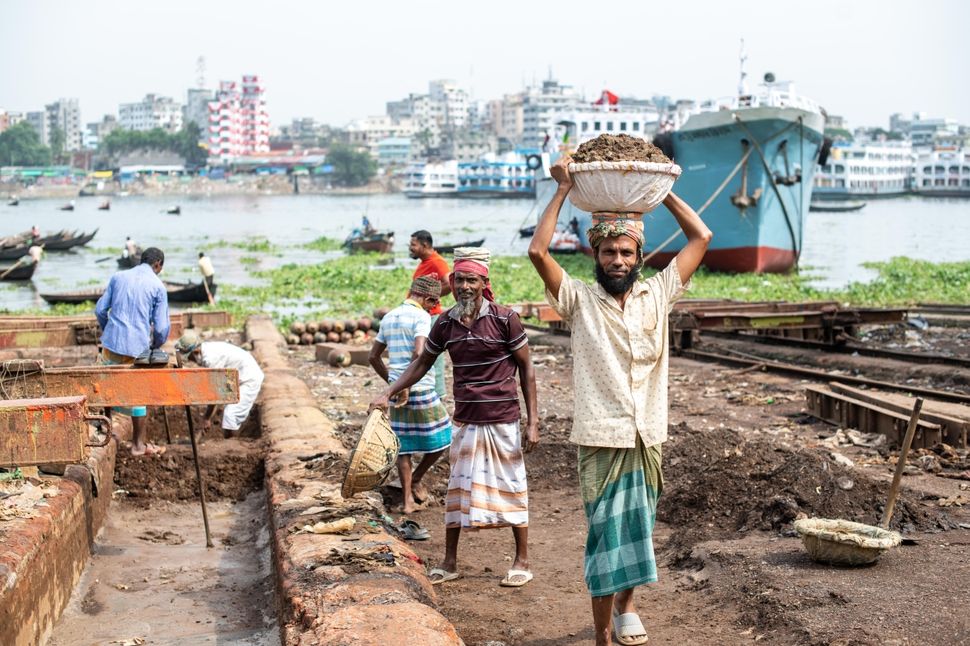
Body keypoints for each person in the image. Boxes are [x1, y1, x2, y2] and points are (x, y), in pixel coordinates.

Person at [528, 157, 711, 646]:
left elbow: (701, 239)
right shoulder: (579, 300)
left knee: (639, 529)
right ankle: (601, 633)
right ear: (596, 255)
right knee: (605, 538)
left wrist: (659, 193)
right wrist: (564, 189)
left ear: (639, 256)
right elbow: (538, 250)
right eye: (609, 252)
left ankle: (628, 606)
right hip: (600, 436)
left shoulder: (659, 294)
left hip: (647, 432)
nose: (618, 261)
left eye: (626, 253)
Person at [370, 248, 539, 588]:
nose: (464, 286)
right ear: (451, 282)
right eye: (459, 279)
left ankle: (521, 560)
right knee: (457, 489)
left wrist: (533, 422)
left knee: (512, 485)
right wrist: (388, 391)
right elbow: (421, 364)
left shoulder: (506, 319)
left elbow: (526, 369)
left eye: (471, 280)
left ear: (483, 283)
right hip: (465, 419)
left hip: (502, 418)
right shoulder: (444, 323)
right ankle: (450, 562)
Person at [369, 275, 452, 514]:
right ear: (427, 298)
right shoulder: (422, 317)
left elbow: (373, 357)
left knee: (403, 446)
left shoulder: (389, 317)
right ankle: (417, 477)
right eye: (432, 304)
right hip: (420, 386)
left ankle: (407, 501)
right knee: (444, 436)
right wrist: (407, 383)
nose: (431, 308)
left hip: (396, 389)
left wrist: (393, 384)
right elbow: (418, 353)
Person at [95, 247, 171, 457]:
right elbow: (162, 327)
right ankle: (138, 445)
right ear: (158, 265)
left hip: (111, 343)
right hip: (136, 348)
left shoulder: (118, 276)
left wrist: (109, 329)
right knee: (139, 394)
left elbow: (100, 310)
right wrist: (155, 345)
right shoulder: (157, 286)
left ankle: (105, 428)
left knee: (109, 384)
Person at [175, 331, 264, 438]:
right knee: (229, 413)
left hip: (249, 379)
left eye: (189, 357)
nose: (190, 360)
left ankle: (231, 445)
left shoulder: (211, 359)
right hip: (236, 378)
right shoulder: (206, 351)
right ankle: (230, 440)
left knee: (230, 414)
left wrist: (206, 418)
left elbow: (215, 394)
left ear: (196, 351)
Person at [408, 230, 452, 400]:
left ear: (424, 245)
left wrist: (431, 297)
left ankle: (438, 395)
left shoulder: (437, 261)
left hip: (431, 316)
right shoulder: (423, 263)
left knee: (434, 357)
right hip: (420, 316)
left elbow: (449, 283)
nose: (411, 248)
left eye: (413, 245)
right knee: (423, 355)